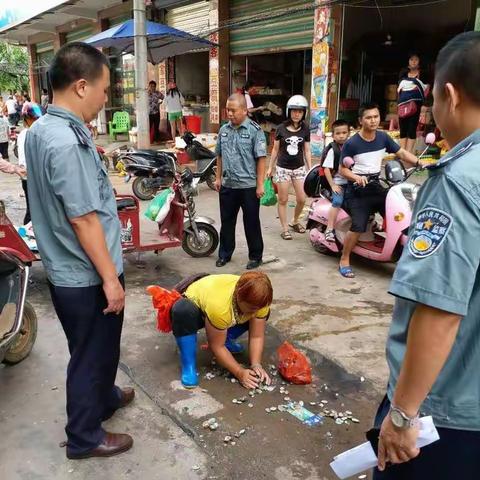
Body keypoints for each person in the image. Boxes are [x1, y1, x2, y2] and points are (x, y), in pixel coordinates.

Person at [373, 31, 480, 479]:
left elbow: (439, 310)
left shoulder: (456, 181)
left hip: (449, 412)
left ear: (449, 96)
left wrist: (402, 416)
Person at [25, 42, 134, 460]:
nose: (106, 100)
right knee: (90, 353)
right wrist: (110, 279)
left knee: (97, 347)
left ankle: (103, 397)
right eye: (105, 90)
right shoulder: (66, 142)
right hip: (86, 272)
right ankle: (84, 436)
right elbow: (84, 219)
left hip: (67, 268)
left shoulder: (42, 130)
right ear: (83, 86)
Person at [338, 102, 422, 278]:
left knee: (398, 215)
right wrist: (356, 177)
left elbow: (402, 153)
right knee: (358, 225)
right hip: (357, 190)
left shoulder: (383, 137)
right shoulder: (352, 143)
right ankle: (345, 259)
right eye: (368, 117)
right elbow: (342, 170)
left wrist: (420, 163)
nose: (373, 120)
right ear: (361, 120)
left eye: (376, 116)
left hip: (376, 186)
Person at [171, 272, 273, 389]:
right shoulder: (220, 306)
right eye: (252, 308)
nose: (255, 313)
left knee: (259, 317)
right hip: (197, 304)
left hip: (225, 306)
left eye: (258, 308)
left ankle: (227, 339)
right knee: (183, 310)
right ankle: (188, 365)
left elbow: (257, 336)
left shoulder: (261, 303)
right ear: (238, 296)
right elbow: (216, 346)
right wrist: (239, 372)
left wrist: (256, 364)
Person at [214, 93, 267, 270]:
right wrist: (217, 177)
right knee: (227, 222)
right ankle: (225, 254)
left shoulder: (255, 130)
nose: (230, 113)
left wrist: (260, 184)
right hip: (228, 185)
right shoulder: (223, 130)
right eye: (228, 110)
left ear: (244, 110)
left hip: (249, 187)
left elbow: (261, 159)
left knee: (251, 222)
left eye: (233, 110)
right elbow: (219, 155)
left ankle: (256, 256)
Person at [266, 95, 312, 239]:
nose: (297, 114)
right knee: (283, 200)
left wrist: (310, 168)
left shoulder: (305, 129)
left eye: (300, 111)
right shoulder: (281, 129)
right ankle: (285, 228)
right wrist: (270, 167)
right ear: (289, 111)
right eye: (294, 111)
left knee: (302, 199)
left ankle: (295, 221)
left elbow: (307, 150)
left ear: (304, 113)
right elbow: (275, 149)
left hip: (299, 168)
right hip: (283, 168)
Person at [321, 119, 350, 242]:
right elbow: (326, 169)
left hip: (351, 182)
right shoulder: (334, 150)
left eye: (344, 132)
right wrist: (333, 185)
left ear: (349, 133)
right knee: (337, 201)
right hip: (338, 183)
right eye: (338, 133)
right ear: (333, 135)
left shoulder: (351, 147)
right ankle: (329, 229)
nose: (341, 135)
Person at [16, 102, 43, 225]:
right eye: (33, 118)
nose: (36, 120)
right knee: (32, 210)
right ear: (26, 119)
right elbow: (23, 160)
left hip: (33, 176)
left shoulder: (35, 132)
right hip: (30, 176)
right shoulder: (26, 134)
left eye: (37, 118)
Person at [397, 54, 429, 153]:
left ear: (419, 62)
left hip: (416, 104)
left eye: (416, 60)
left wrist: (425, 105)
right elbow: (399, 89)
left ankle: (409, 152)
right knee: (403, 128)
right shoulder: (403, 73)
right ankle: (402, 152)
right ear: (408, 61)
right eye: (411, 59)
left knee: (412, 128)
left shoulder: (423, 74)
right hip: (402, 104)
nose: (413, 62)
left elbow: (427, 89)